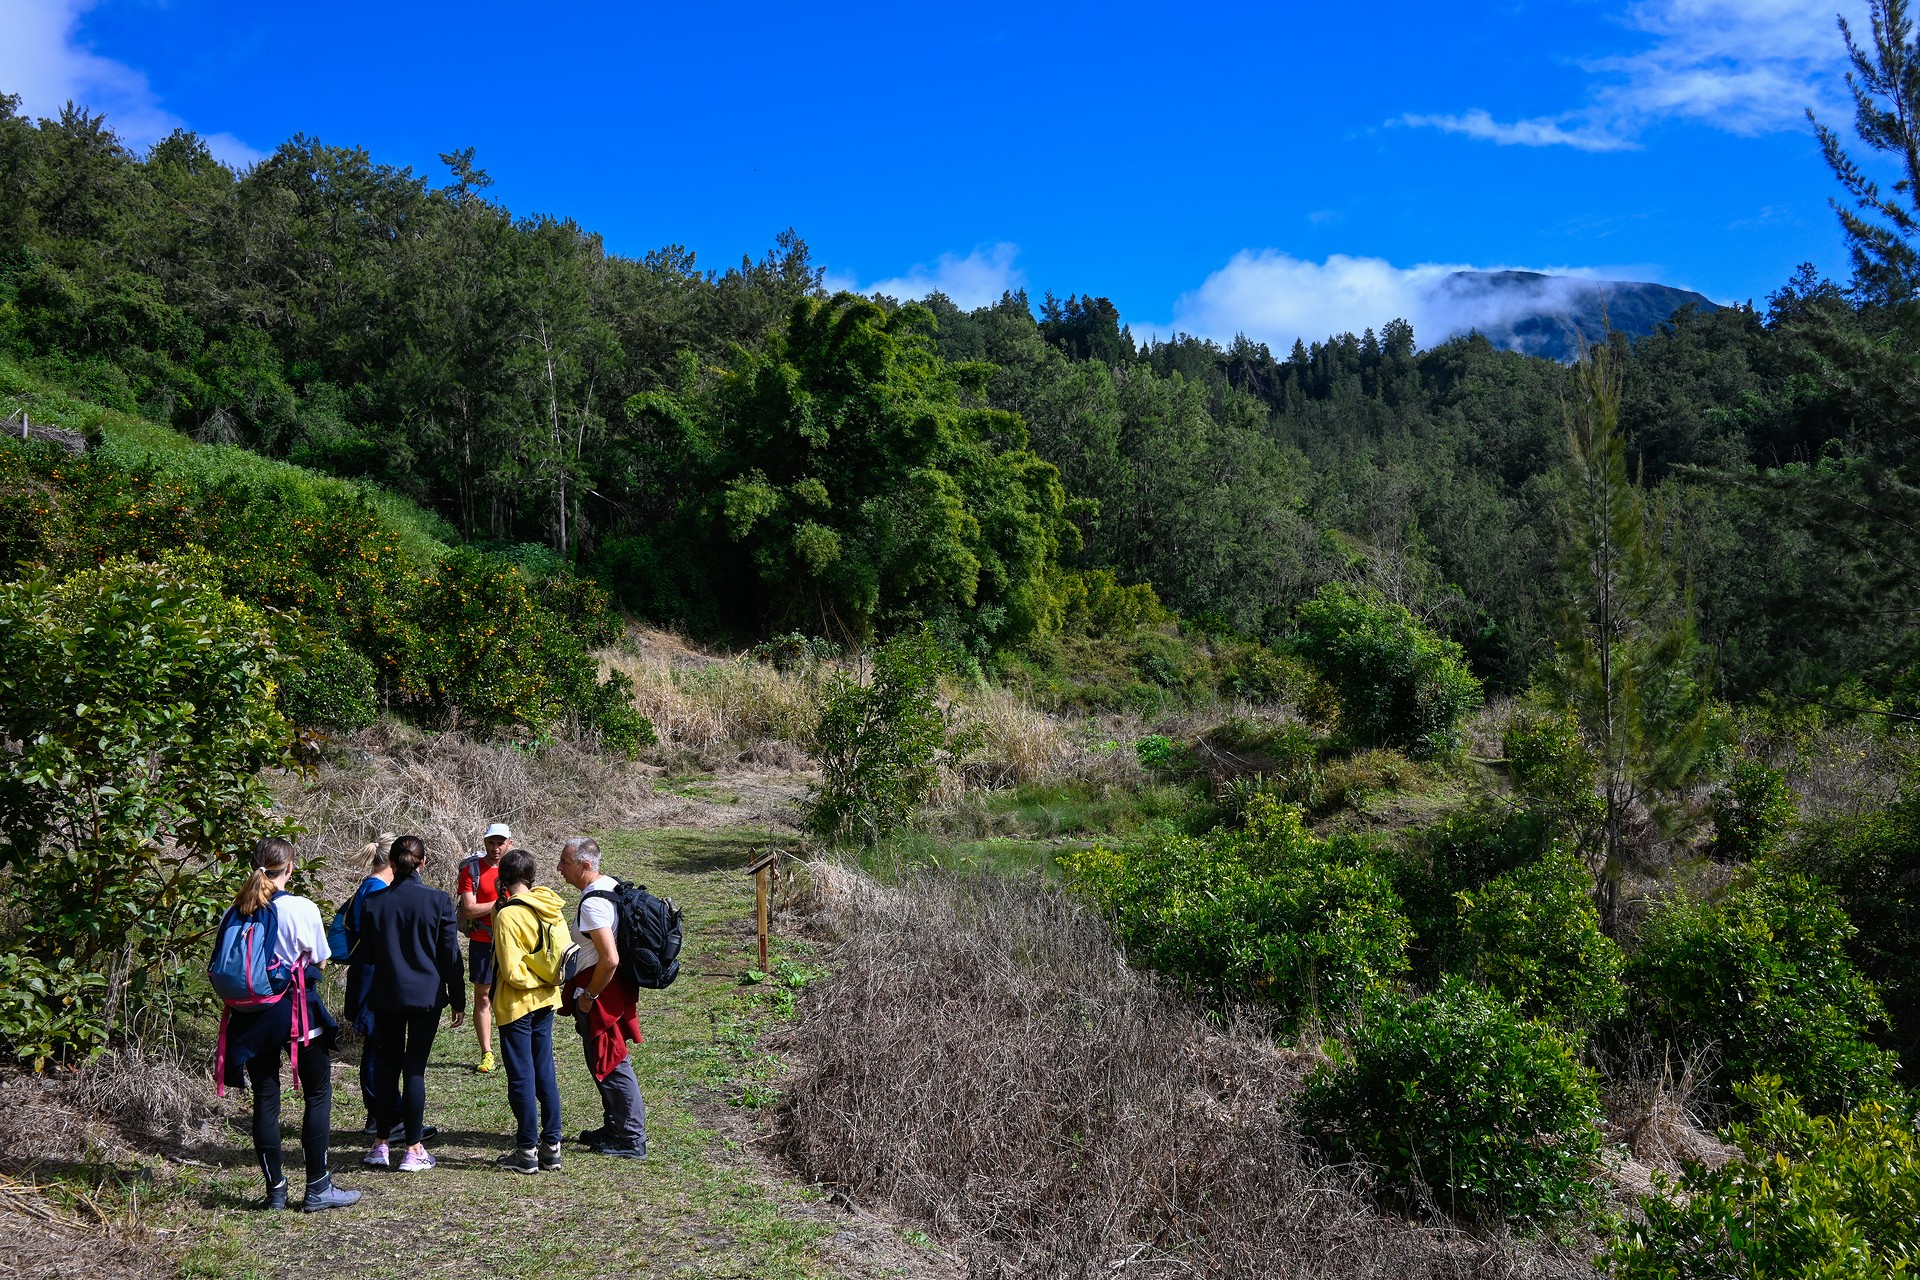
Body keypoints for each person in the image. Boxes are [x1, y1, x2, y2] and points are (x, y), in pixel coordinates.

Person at [220, 837, 360, 1212]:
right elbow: (322, 960)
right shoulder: (301, 908)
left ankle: (276, 1190)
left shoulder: (235, 909)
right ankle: (317, 1185)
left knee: (266, 1098)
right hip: (295, 1011)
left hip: (250, 1015)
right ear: (291, 867)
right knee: (317, 1091)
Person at [354, 834, 464, 1172]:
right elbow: (450, 955)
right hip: (425, 997)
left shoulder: (374, 903)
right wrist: (458, 996)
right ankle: (414, 1148)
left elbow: (368, 954)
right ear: (423, 862)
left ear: (391, 862)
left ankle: (380, 1144)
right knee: (414, 1069)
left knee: (387, 1067)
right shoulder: (438, 901)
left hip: (386, 994)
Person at [556, 836, 647, 1159]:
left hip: (601, 991)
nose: (559, 869)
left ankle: (631, 1138)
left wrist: (588, 997)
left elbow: (609, 958)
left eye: (564, 863)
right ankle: (615, 1127)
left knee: (612, 1062)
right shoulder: (610, 886)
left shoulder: (593, 903)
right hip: (612, 988)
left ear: (584, 865)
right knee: (604, 1060)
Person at [490, 848, 566, 1173]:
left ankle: (526, 1150)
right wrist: (545, 980)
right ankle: (552, 1146)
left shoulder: (507, 915)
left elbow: (511, 972)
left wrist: (528, 979)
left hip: (517, 1004)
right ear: (531, 875)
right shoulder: (551, 906)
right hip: (548, 999)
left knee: (521, 1075)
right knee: (544, 1070)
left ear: (503, 878)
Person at [341, 834, 394, 1136]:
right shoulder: (376, 889)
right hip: (373, 979)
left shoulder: (370, 886)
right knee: (377, 1049)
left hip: (368, 975)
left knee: (377, 1049)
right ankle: (379, 1116)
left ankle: (380, 1114)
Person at [457, 822, 511, 1074]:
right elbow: (469, 909)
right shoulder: (471, 871)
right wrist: (500, 904)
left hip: (511, 939)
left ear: (510, 843)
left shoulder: (515, 869)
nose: (496, 848)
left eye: (501, 843)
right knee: (483, 996)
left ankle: (513, 1048)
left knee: (512, 993)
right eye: (491, 842)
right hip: (482, 941)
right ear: (484, 843)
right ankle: (487, 1052)